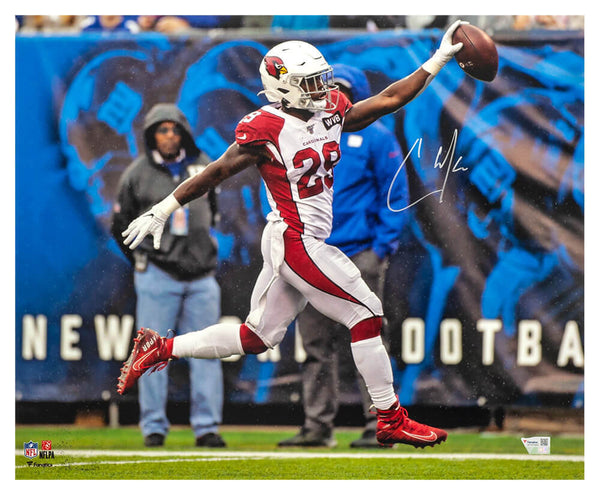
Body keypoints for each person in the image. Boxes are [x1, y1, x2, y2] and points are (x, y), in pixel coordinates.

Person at [117, 20, 466, 448]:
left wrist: (439, 58)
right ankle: (390, 417)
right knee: (367, 313)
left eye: (321, 79)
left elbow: (390, 98)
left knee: (256, 337)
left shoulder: (330, 110)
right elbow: (216, 172)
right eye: (311, 82)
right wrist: (166, 206)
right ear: (283, 87)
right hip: (295, 239)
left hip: (299, 238)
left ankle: (160, 349)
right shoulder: (264, 127)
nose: (323, 88)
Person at [277, 64, 408, 448]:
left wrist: (379, 250)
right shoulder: (303, 136)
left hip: (359, 254)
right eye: (330, 89)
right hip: (315, 254)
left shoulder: (376, 135)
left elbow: (395, 196)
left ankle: (379, 424)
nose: (335, 98)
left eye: (345, 91)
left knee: (369, 340)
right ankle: (318, 426)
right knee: (316, 346)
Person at [111, 103, 226, 448]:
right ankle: (153, 427)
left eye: (175, 130)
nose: (169, 136)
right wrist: (143, 260)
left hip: (202, 277)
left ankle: (207, 427)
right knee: (150, 353)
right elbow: (121, 226)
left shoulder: (203, 165)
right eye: (162, 130)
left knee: (208, 352)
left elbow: (215, 211)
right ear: (151, 136)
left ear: (184, 134)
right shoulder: (136, 174)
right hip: (157, 276)